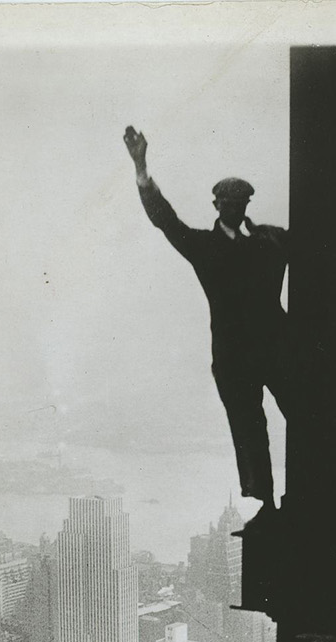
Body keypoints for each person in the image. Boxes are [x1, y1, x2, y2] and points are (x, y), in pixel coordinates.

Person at [123, 125, 292, 508]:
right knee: (250, 433)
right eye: (227, 201)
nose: (234, 207)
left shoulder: (269, 242)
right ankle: (266, 503)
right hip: (234, 360)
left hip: (274, 349)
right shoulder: (204, 247)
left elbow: (315, 239)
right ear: (216, 205)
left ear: (246, 204)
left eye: (239, 201)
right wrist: (141, 169)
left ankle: (302, 492)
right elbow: (164, 219)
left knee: (304, 414)